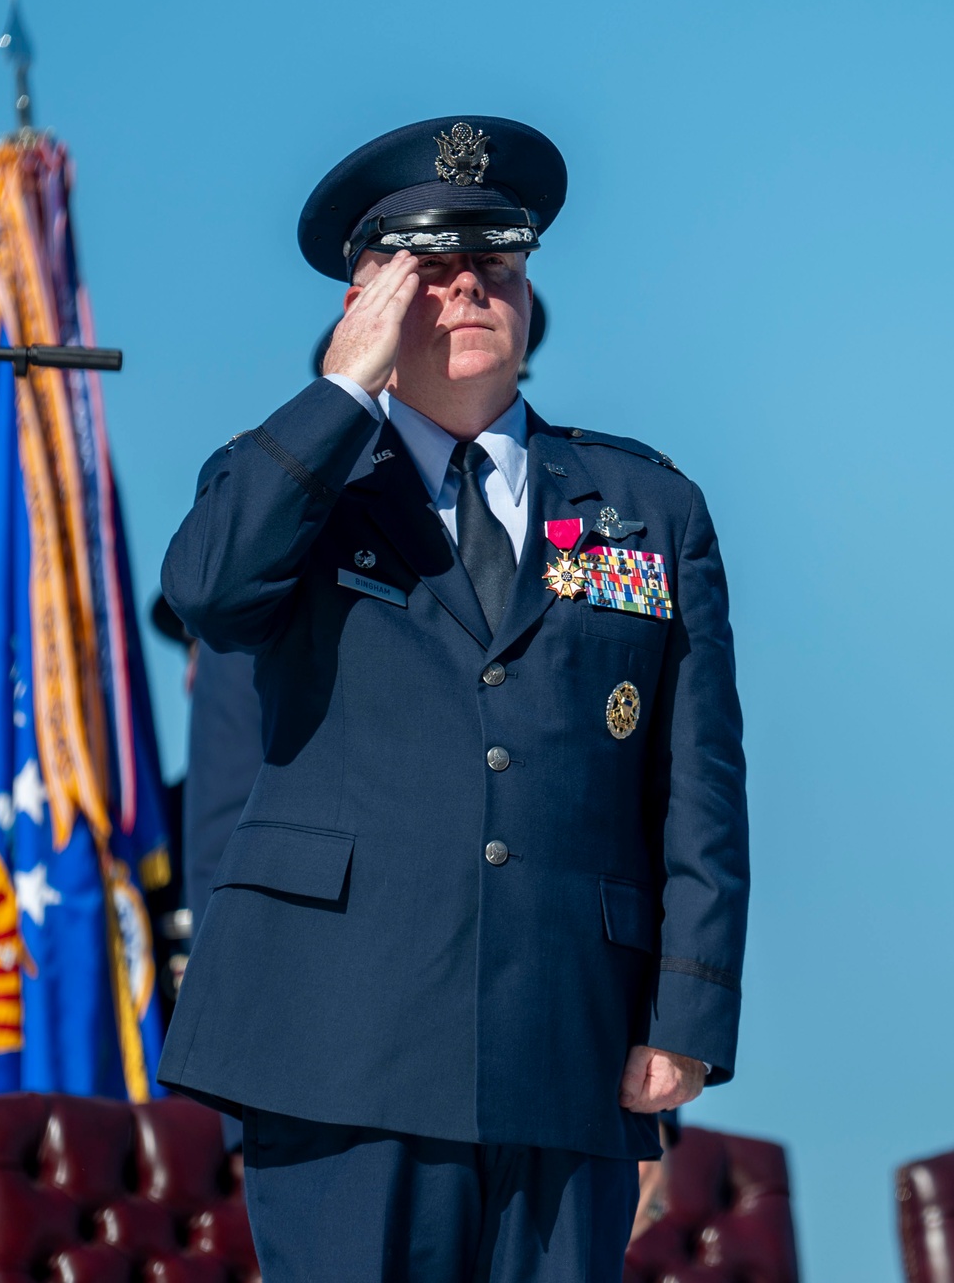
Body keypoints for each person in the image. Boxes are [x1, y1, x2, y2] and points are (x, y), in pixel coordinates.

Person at [158, 115, 749, 1281]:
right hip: (337, 1044)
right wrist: (339, 394)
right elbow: (210, 592)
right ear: (369, 299)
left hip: (565, 1040)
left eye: (500, 267)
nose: (474, 288)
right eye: (436, 270)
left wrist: (687, 1015)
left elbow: (699, 779)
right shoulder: (287, 478)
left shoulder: (646, 504)